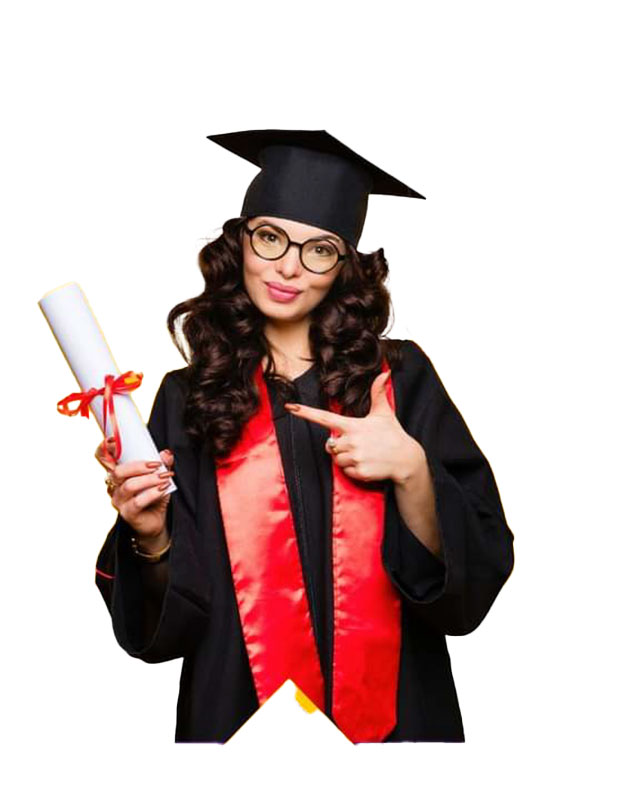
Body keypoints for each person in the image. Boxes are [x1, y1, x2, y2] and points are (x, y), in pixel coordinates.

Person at [92, 129, 515, 743]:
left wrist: (414, 472)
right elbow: (168, 626)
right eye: (270, 238)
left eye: (319, 250)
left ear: (346, 268)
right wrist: (151, 535)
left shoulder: (400, 378)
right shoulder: (189, 397)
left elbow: (472, 579)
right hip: (240, 718)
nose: (289, 266)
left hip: (398, 716)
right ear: (240, 244)